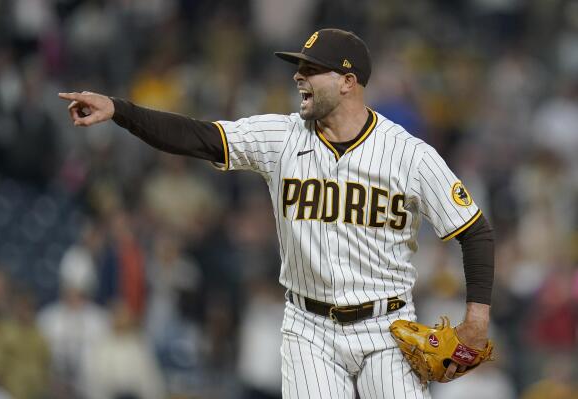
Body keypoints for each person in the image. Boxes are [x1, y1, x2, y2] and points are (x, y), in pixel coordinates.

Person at [59, 28, 494, 399]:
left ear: (347, 81)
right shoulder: (281, 137)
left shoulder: (408, 155)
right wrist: (120, 110)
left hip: (388, 327)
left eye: (310, 69)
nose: (298, 76)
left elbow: (474, 232)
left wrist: (476, 319)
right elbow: (197, 137)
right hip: (309, 329)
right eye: (298, 67)